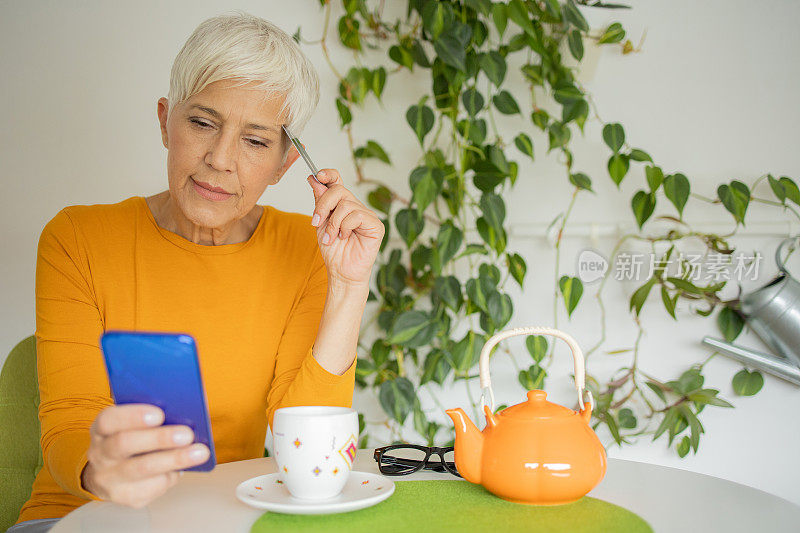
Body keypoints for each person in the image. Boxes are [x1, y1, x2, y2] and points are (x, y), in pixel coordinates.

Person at [10, 11, 384, 532]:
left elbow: (305, 439)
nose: (220, 159)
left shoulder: (306, 249)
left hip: (223, 519)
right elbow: (70, 419)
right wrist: (103, 472)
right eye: (203, 123)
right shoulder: (76, 239)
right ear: (166, 120)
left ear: (282, 165)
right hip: (76, 517)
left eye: (255, 141)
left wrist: (348, 287)